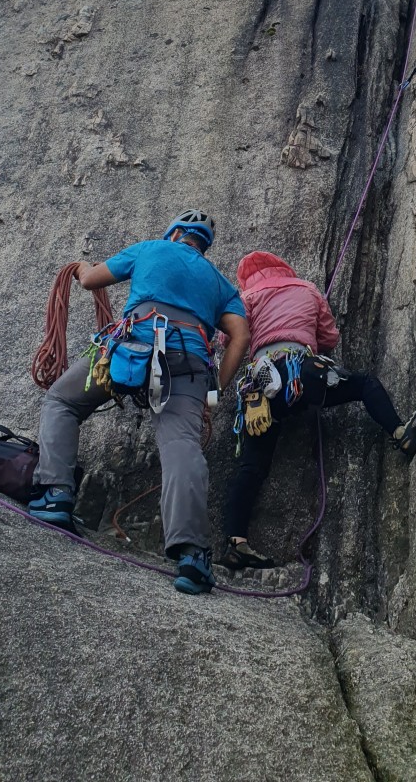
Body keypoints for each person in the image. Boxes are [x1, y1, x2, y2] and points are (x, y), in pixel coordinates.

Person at [29, 209, 250, 596]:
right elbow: (240, 335)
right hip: (188, 362)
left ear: (177, 233)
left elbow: (90, 280)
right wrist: (214, 389)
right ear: (204, 244)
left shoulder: (150, 248)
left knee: (62, 401)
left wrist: (81, 266)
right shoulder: (219, 283)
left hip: (130, 347)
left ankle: (56, 495)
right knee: (181, 445)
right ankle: (193, 555)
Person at [220, 251, 416, 570]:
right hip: (305, 372)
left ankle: (237, 543)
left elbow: (228, 337)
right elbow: (330, 337)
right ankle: (400, 433)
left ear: (248, 278)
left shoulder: (245, 296)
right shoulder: (306, 289)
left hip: (262, 388)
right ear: (284, 268)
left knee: (253, 465)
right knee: (363, 384)